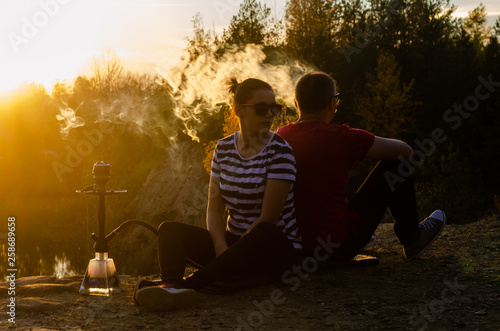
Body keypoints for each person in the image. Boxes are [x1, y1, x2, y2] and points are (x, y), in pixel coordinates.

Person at [134, 78, 301, 312]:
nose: (270, 115)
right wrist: (221, 248)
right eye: (262, 108)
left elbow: (269, 219)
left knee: (264, 231)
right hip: (233, 248)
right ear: (238, 110)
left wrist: (227, 257)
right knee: (169, 230)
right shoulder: (223, 149)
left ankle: (184, 287)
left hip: (273, 251)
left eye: (275, 108)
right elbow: (214, 208)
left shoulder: (280, 152)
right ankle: (171, 283)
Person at [276, 71, 445, 263]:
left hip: (296, 248)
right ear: (332, 103)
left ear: (297, 104)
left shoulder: (279, 137)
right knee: (397, 164)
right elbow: (406, 152)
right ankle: (413, 238)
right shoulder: (343, 137)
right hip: (336, 248)